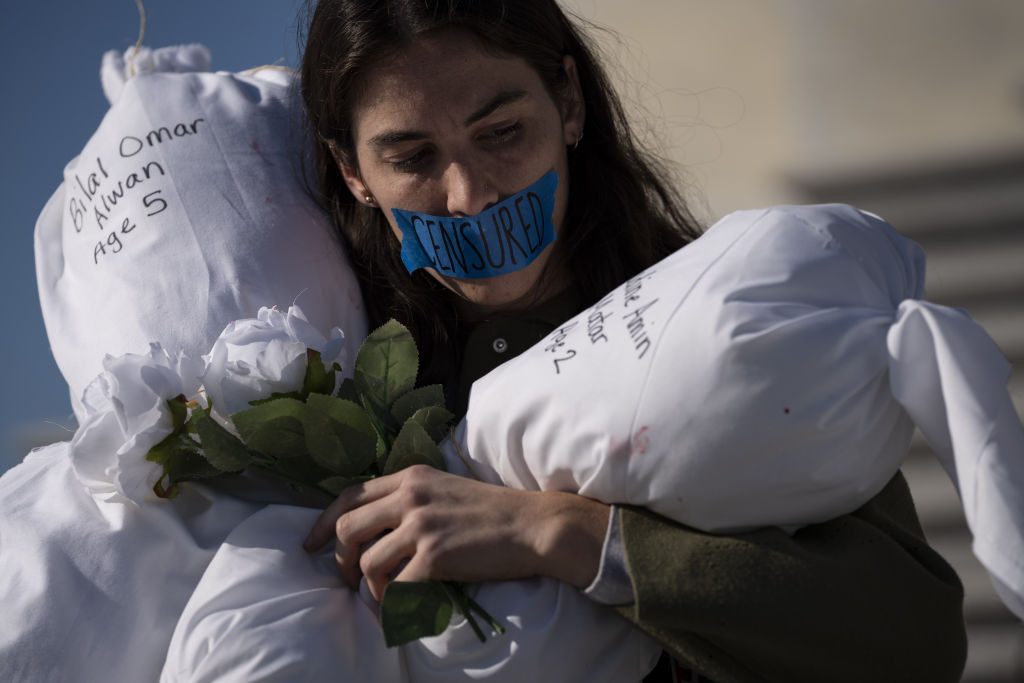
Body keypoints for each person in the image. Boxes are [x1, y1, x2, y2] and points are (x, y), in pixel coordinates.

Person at [298, 1, 967, 680]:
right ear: (352, 172)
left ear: (568, 103)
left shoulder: (721, 322)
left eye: (501, 132)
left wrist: (562, 533)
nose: (470, 197)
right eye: (412, 158)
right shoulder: (321, 377)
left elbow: (916, 642)